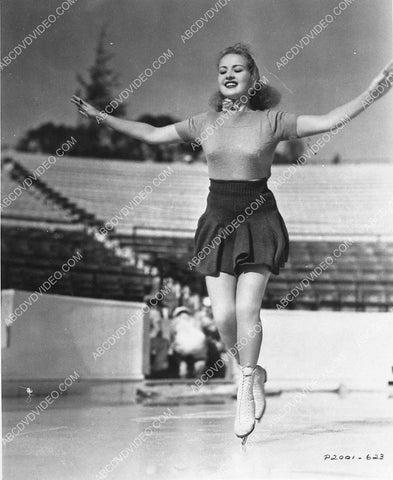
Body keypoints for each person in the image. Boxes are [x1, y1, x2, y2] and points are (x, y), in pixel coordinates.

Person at [71, 45, 393, 444]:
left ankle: (243, 384)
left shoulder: (271, 120)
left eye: (238, 69)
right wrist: (102, 117)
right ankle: (253, 371)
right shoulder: (204, 122)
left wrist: (372, 93)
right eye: (222, 69)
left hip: (259, 218)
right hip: (218, 221)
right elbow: (153, 135)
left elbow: (328, 121)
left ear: (253, 79)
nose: (228, 75)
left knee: (246, 308)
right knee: (223, 317)